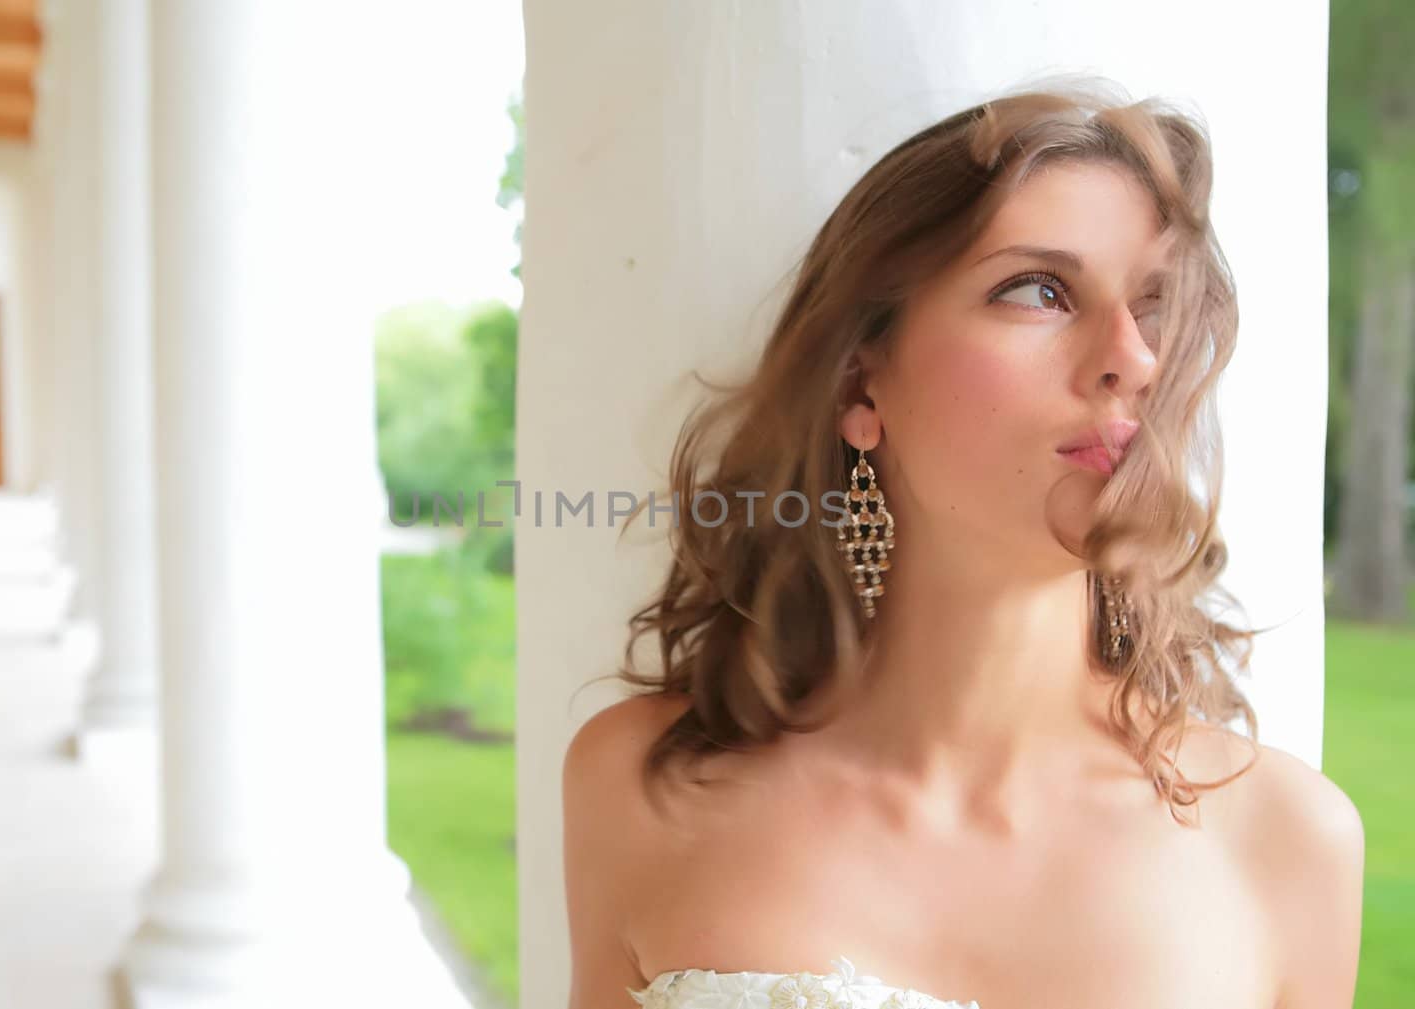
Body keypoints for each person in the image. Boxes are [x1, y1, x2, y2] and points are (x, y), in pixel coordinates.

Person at [562, 78, 1365, 1009]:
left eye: (1153, 306)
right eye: (1041, 290)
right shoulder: (640, 788)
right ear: (861, 386)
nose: (1133, 359)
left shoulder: (1287, 843)